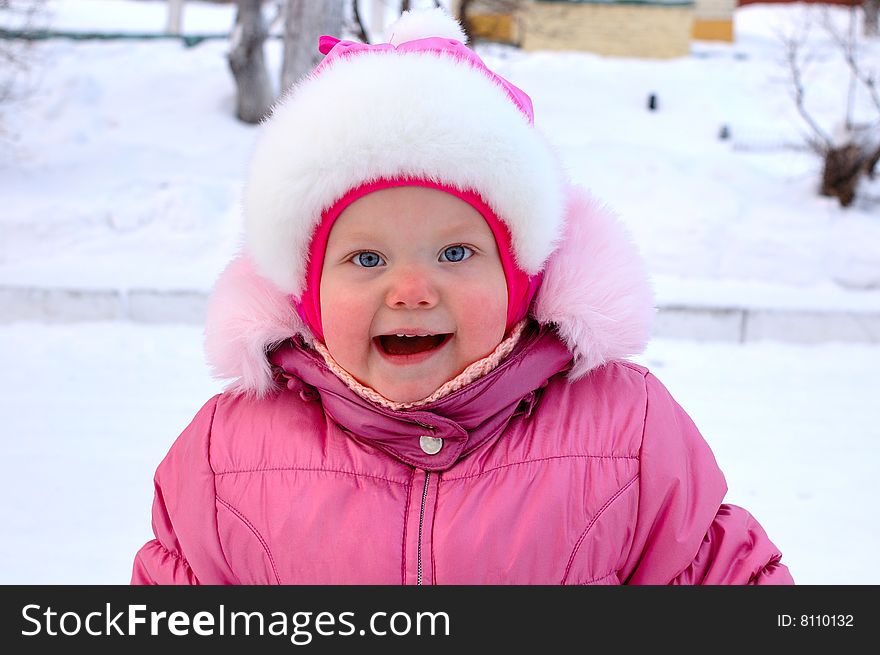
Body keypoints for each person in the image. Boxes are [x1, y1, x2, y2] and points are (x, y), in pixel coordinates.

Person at [131, 8, 793, 585]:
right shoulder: (230, 449)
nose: (413, 290)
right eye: (367, 257)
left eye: (456, 253)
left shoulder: (624, 428)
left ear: (522, 276)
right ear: (305, 289)